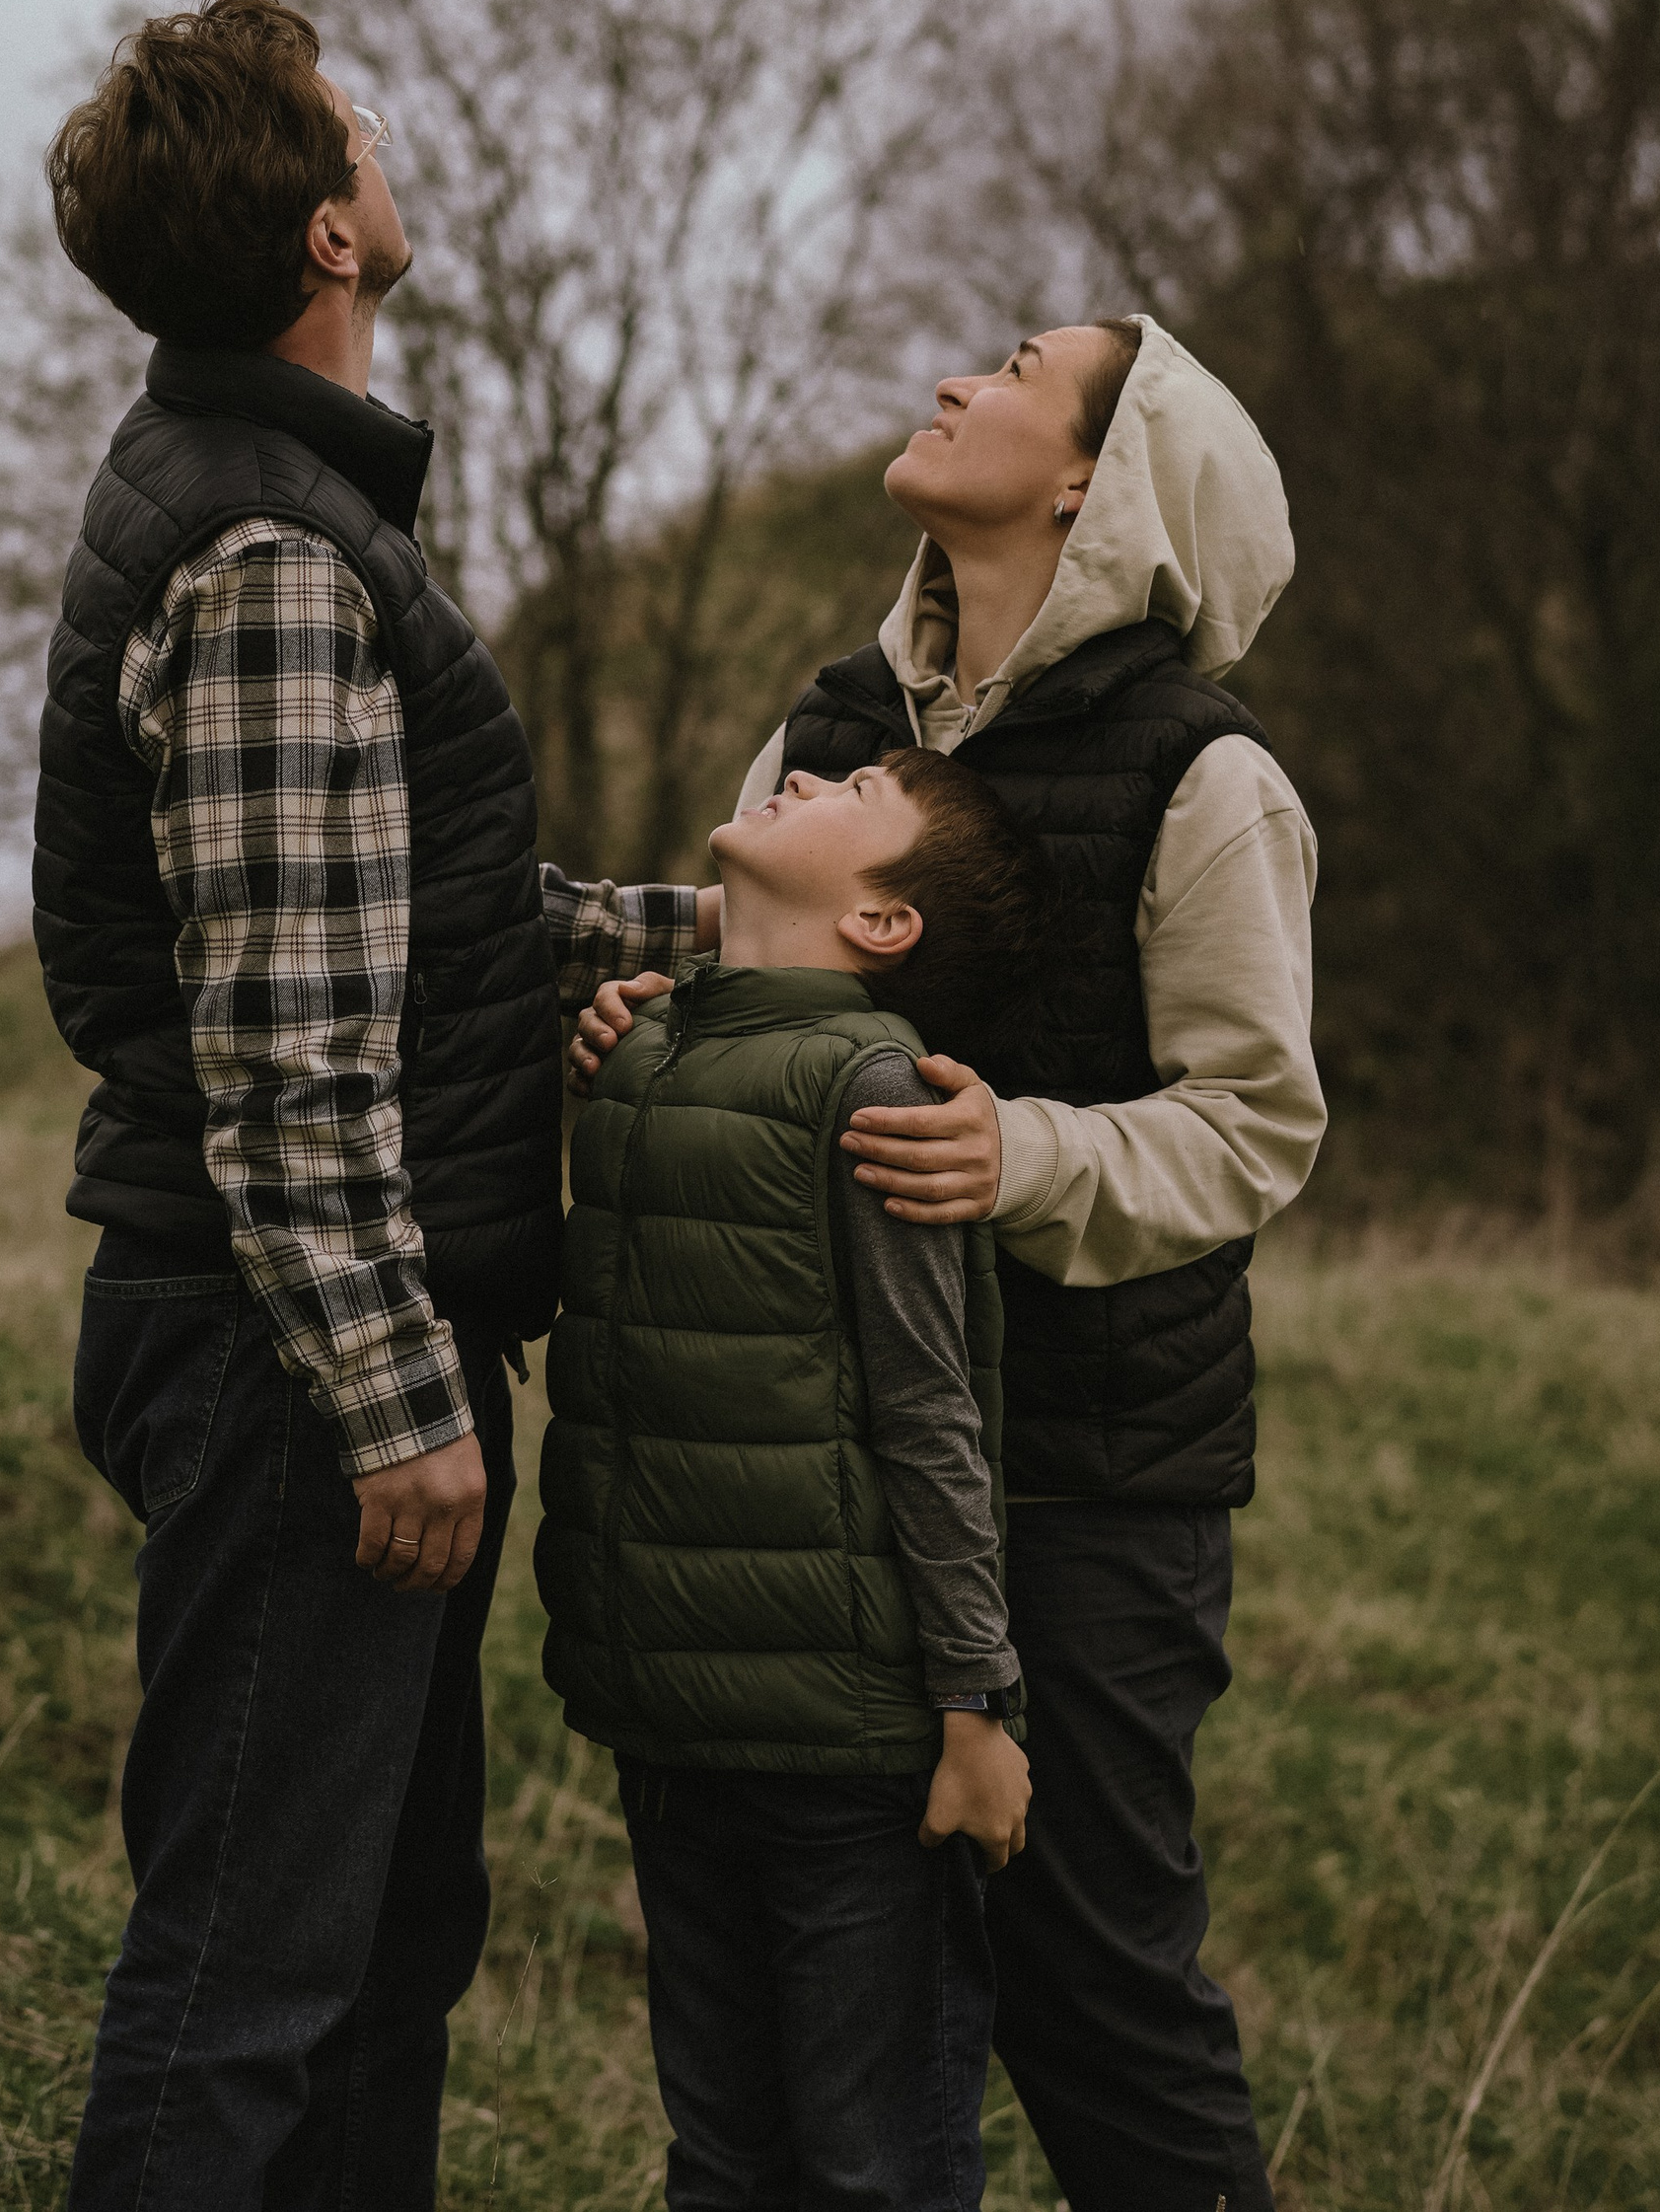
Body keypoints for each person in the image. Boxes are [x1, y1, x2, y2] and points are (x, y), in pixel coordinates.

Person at [33, 0, 705, 2210]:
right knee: (242, 1985)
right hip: (291, 1357)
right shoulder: (266, 555)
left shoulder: (284, 505)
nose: (393, 142)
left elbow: (399, 907)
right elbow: (289, 1047)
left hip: (305, 1339)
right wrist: (398, 1392)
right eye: (364, 124)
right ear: (331, 231)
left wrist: (705, 943)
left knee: (382, 1955)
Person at [573, 313, 1323, 2212]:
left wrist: (1023, 1151)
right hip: (832, 1498)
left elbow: (1256, 1121)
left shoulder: (1209, 775)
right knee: (830, 2020)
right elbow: (773, 995)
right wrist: (654, 1028)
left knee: (1087, 1985)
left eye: (1015, 363)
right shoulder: (832, 729)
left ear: (1096, 475)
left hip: (1088, 1465)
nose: (956, 374)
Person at [541, 742, 1045, 2212]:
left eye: (856, 793)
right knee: (726, 2156)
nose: (810, 769)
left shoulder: (872, 1084)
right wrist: (623, 1035)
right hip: (679, 1728)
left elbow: (931, 1413)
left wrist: (975, 1704)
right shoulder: (644, 1045)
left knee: (872, 2167)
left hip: (853, 1754)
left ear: (884, 923)